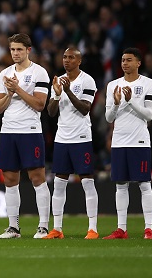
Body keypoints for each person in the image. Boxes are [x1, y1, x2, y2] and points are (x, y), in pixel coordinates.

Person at [0, 33, 51, 239]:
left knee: (37, 177)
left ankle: (43, 226)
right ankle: (13, 228)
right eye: (12, 49)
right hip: (8, 131)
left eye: (19, 49)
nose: (15, 53)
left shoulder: (39, 72)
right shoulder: (5, 74)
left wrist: (17, 88)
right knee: (10, 179)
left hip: (30, 131)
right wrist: (9, 93)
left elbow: (39, 104)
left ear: (28, 50)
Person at [103, 48, 152, 240]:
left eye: (129, 60)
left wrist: (131, 100)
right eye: (123, 60)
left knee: (144, 184)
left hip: (140, 141)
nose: (125, 63)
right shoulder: (113, 86)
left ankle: (148, 229)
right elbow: (109, 117)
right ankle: (121, 229)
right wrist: (117, 103)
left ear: (138, 63)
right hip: (119, 141)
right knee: (121, 185)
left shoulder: (149, 84)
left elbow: (149, 115)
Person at [45, 47, 99, 239]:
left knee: (87, 182)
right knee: (59, 184)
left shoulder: (87, 80)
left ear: (79, 61)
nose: (66, 60)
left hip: (81, 138)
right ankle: (57, 229)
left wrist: (67, 91)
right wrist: (58, 94)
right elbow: (51, 112)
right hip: (62, 138)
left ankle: (92, 228)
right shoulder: (58, 80)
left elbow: (85, 109)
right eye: (65, 57)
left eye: (71, 57)